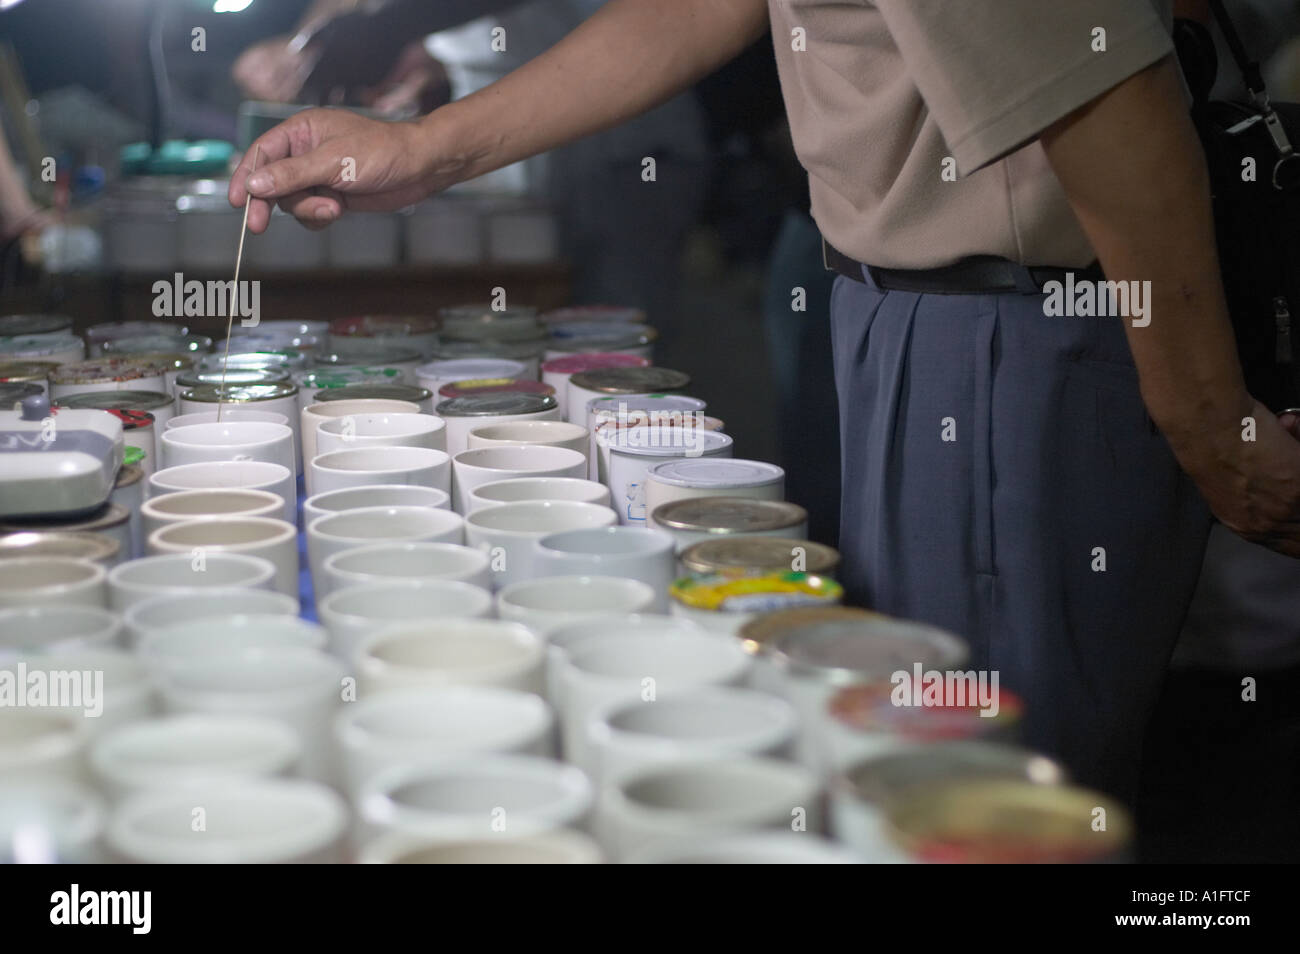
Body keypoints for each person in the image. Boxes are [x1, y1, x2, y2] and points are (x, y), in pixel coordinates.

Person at [228, 0, 1300, 800]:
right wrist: (428, 149)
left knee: (991, 785)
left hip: (1011, 328)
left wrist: (1208, 419)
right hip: (921, 313)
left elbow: (1107, 92)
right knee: (921, 750)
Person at [231, 0, 709, 333]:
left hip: (625, 141)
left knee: (611, 333)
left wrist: (396, 27)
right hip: (509, 139)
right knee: (523, 322)